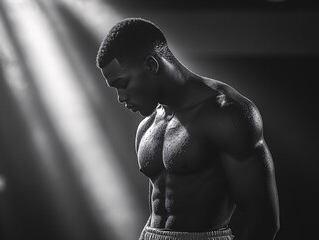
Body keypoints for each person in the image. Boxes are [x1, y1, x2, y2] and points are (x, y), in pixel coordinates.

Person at [96, 18, 280, 240]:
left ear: (151, 65)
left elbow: (262, 220)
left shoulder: (226, 112)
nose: (121, 98)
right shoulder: (148, 126)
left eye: (123, 84)